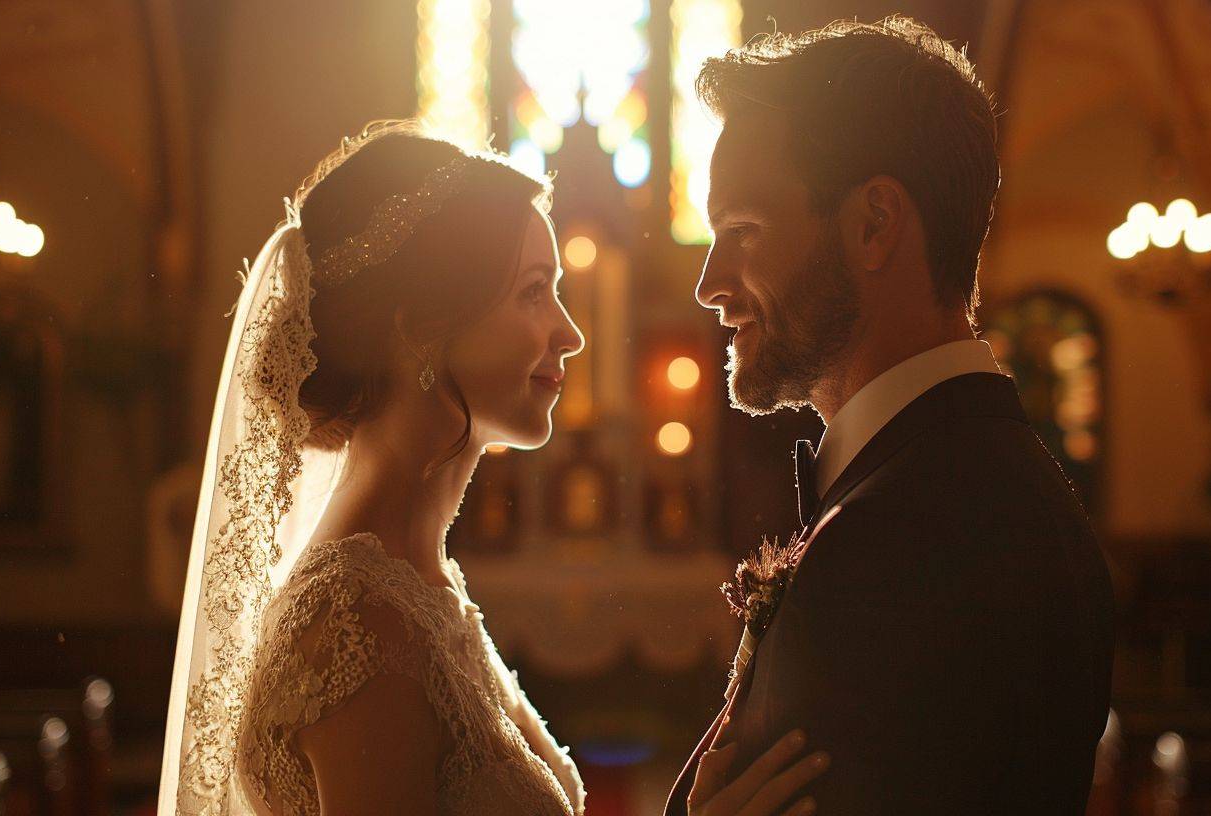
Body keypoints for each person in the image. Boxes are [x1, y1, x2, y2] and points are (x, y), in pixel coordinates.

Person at [159, 121, 824, 816]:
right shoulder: (356, 619)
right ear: (421, 325)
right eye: (534, 292)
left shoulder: (419, 582)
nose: (570, 335)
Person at [668, 17, 1115, 815]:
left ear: (874, 224)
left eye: (743, 230)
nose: (710, 282)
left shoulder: (895, 543)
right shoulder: (998, 481)